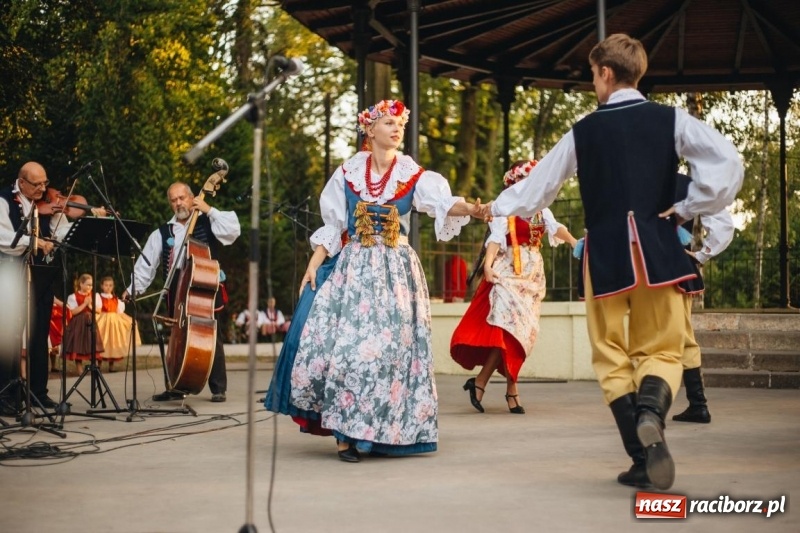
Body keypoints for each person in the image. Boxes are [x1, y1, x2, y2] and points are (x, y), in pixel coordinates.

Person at [480, 34, 743, 490]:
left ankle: (641, 455)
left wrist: (495, 208)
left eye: (593, 75)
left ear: (604, 72)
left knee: (609, 354)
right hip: (661, 254)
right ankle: (651, 413)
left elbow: (537, 189)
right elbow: (728, 164)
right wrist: (688, 205)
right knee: (662, 348)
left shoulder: (584, 130)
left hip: (606, 255)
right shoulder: (672, 120)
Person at [270, 99, 482, 462]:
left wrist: (476, 209)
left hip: (396, 274)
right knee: (348, 352)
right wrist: (314, 262)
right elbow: (334, 225)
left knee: (389, 355)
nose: (397, 128)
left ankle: (377, 432)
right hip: (354, 272)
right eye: (388, 122)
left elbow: (445, 204)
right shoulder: (348, 173)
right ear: (369, 130)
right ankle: (343, 434)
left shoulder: (413, 174)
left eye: (400, 122)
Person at [451, 160, 577, 415]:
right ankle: (509, 390)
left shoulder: (541, 208)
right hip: (508, 271)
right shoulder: (506, 206)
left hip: (532, 276)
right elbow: (496, 240)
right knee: (508, 330)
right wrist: (487, 267)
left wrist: (575, 242)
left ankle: (482, 382)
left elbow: (556, 229)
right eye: (523, 180)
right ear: (514, 182)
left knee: (520, 333)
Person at [0, 162, 107, 415]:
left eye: (44, 183)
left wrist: (85, 226)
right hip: (12, 274)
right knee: (10, 336)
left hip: (43, 273)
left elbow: (61, 232)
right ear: (22, 182)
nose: (43, 189)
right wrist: (34, 241)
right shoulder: (4, 200)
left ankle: (38, 392)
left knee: (39, 335)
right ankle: (7, 395)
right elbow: (3, 238)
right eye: (36, 184)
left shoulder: (50, 203)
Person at [122, 181, 240, 402]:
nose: (178, 203)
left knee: (211, 333)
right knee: (177, 335)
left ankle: (218, 387)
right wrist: (132, 290)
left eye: (182, 198)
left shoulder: (208, 221)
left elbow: (233, 231)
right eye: (173, 200)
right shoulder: (163, 231)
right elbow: (147, 264)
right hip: (176, 283)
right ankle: (176, 386)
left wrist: (209, 209)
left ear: (191, 197)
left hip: (203, 280)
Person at [672, 173, 735, 424]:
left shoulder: (631, 178)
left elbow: (723, 225)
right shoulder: (687, 185)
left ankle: (695, 404)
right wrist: (701, 255)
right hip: (667, 269)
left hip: (655, 272)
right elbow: (722, 226)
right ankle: (694, 404)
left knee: (680, 337)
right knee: (678, 336)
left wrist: (700, 255)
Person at [63, 273, 105, 375]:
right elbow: (72, 312)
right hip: (78, 323)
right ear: (81, 284)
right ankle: (79, 368)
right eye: (88, 284)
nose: (90, 287)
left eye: (91, 285)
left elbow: (99, 310)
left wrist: (90, 305)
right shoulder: (73, 296)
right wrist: (84, 304)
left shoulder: (95, 296)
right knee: (78, 344)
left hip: (90, 322)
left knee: (93, 343)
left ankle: (95, 367)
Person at [96, 276, 140, 372]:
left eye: (110, 285)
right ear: (102, 286)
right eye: (106, 285)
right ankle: (98, 365)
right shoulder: (99, 297)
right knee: (102, 342)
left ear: (113, 287)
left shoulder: (116, 299)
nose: (108, 287)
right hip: (103, 321)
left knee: (113, 343)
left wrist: (129, 321)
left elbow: (119, 312)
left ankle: (111, 366)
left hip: (114, 323)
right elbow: (98, 310)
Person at [49, 296, 71, 373]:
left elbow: (67, 307)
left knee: (54, 347)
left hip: (55, 326)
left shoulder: (55, 300)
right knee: (47, 346)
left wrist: (56, 301)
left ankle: (53, 366)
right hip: (48, 325)